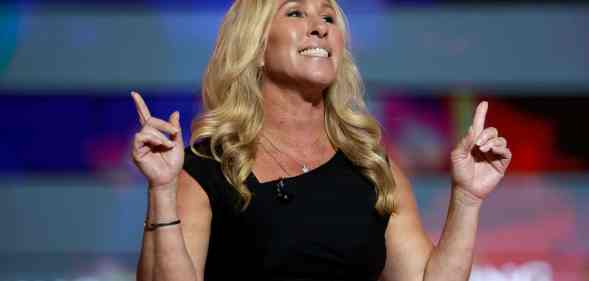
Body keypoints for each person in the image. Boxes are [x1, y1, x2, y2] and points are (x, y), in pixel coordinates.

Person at [131, 0, 512, 280]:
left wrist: (467, 199)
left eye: (328, 16)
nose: (320, 27)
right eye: (296, 13)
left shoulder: (371, 166)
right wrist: (161, 192)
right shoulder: (209, 167)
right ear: (257, 47)